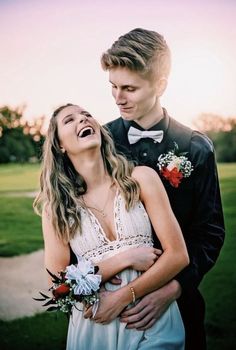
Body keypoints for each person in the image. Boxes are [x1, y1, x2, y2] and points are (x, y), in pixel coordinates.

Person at [101, 28, 225, 350]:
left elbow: (209, 232)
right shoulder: (99, 143)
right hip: (113, 304)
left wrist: (174, 288)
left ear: (160, 85)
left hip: (179, 305)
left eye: (129, 88)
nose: (118, 98)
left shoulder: (195, 148)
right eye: (113, 86)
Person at [34, 103, 189, 350]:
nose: (83, 119)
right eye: (69, 120)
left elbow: (178, 256)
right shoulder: (57, 208)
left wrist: (123, 297)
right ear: (60, 145)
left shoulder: (140, 178)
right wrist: (125, 259)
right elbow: (59, 287)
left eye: (86, 115)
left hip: (151, 319)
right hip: (96, 329)